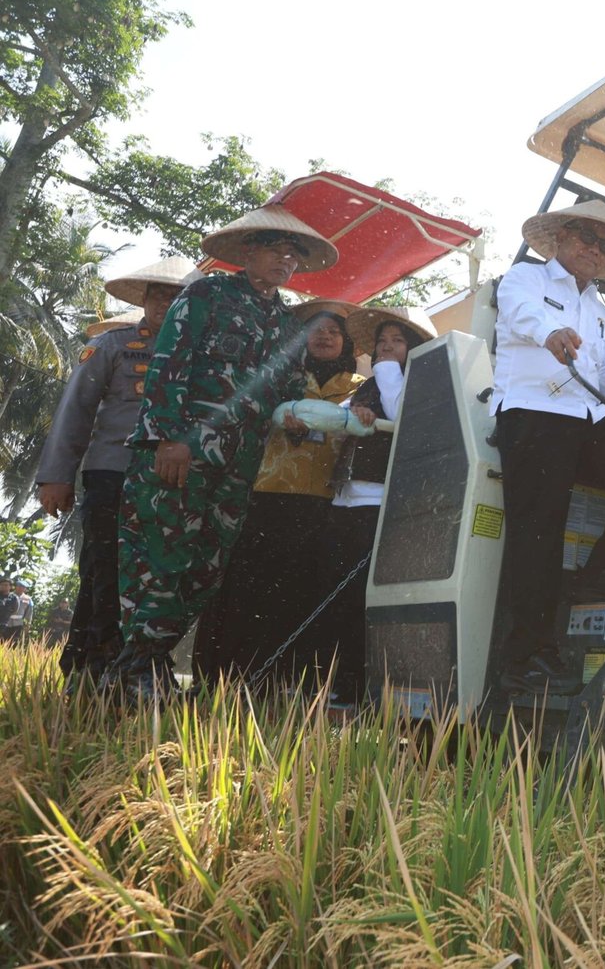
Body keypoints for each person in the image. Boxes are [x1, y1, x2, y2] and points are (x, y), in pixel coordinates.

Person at [107, 205, 338, 697]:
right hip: (182, 453)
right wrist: (168, 438)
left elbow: (287, 394)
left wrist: (299, 416)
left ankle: (145, 666)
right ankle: (136, 669)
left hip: (239, 466)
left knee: (205, 571)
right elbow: (170, 363)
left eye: (294, 255)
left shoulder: (286, 325)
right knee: (160, 558)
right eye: (277, 250)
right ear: (249, 251)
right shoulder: (207, 295)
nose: (287, 260)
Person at [489, 200, 605, 696]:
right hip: (533, 413)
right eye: (587, 236)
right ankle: (524, 658)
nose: (595, 248)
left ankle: (601, 577)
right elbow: (522, 315)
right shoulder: (526, 278)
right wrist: (549, 332)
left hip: (586, 418)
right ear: (562, 237)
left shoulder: (602, 313)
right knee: (539, 531)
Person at [35, 255, 200, 682]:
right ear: (144, 299)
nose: (166, 302)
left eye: (178, 296)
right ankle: (90, 668)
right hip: (113, 476)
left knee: (161, 579)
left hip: (174, 483)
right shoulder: (112, 345)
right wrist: (56, 476)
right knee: (104, 571)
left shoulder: (205, 356)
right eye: (158, 294)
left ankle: (140, 667)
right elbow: (75, 410)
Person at [193, 300, 364, 684]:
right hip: (267, 497)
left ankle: (288, 686)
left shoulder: (359, 387)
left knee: (304, 594)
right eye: (316, 331)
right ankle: (224, 682)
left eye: (334, 332)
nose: (325, 337)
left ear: (346, 342)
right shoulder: (279, 377)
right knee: (250, 591)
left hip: (326, 504)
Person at [300, 306, 437, 705]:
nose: (386, 348)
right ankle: (329, 681)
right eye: (381, 341)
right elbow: (334, 421)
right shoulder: (370, 384)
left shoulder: (415, 384)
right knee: (331, 593)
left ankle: (354, 685)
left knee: (357, 598)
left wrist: (389, 369)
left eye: (397, 341)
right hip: (344, 499)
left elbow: (400, 414)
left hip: (378, 502)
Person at [0, 579, 21, 646]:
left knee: (5, 644)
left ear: (10, 587)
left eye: (6, 585)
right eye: (2, 585)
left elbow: (15, 610)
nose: (3, 586)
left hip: (6, 625)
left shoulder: (14, 598)